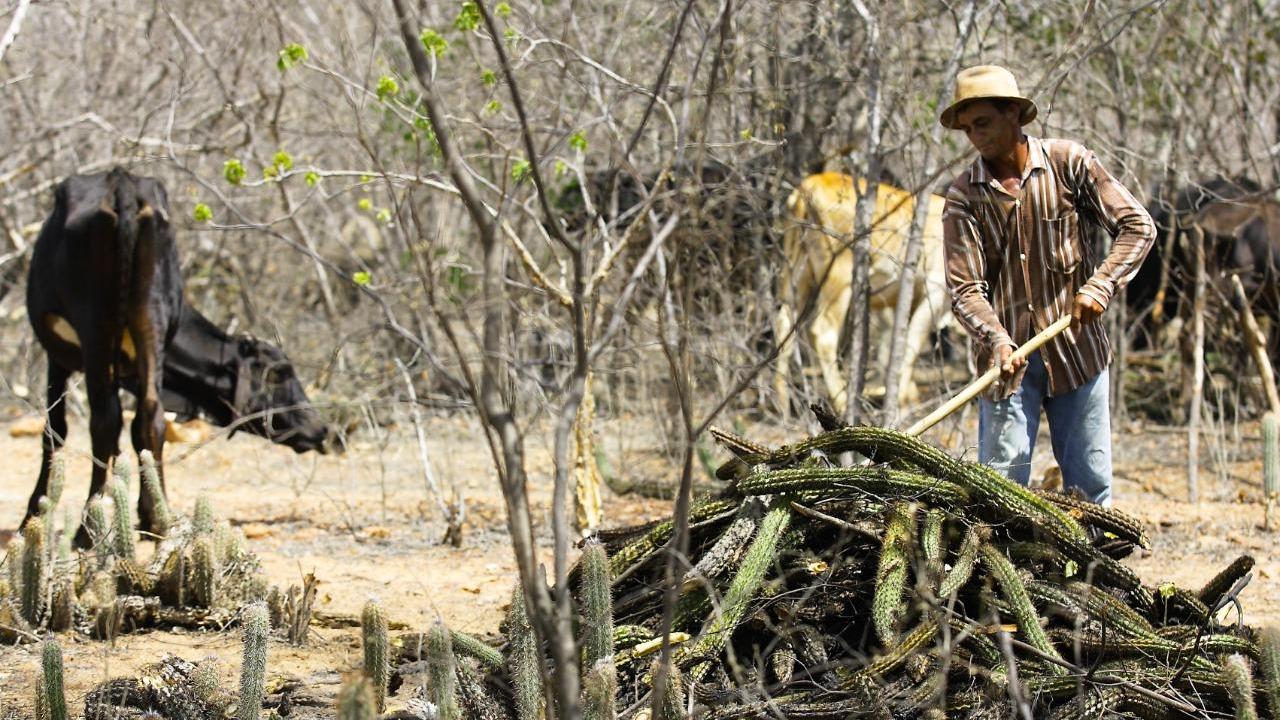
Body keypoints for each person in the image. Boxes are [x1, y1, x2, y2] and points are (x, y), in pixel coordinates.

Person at [939, 65, 1155, 506]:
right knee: (1000, 498)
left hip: (1078, 354)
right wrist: (996, 340)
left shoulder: (1068, 164)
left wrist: (1100, 286)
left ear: (1014, 115)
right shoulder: (965, 197)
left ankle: (1097, 572)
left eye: (983, 122)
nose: (975, 136)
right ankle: (1008, 575)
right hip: (1007, 366)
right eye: (967, 128)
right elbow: (964, 288)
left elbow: (1138, 226)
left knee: (1091, 491)